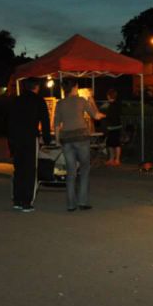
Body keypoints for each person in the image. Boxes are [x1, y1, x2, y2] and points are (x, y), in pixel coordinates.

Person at [54, 79, 105, 212]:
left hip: (66, 139)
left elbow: (56, 124)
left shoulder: (60, 103)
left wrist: (58, 140)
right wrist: (92, 102)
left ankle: (71, 204)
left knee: (71, 172)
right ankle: (83, 201)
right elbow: (96, 116)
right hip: (81, 138)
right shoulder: (81, 100)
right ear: (75, 87)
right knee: (84, 169)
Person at [7, 78, 51, 212]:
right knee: (30, 169)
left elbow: (9, 121)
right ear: (36, 87)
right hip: (30, 137)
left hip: (16, 138)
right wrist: (47, 139)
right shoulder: (38, 100)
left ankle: (17, 200)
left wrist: (10, 143)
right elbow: (45, 120)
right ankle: (27, 202)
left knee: (19, 169)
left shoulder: (15, 100)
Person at [102, 89, 123, 166]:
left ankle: (117, 160)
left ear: (108, 96)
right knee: (110, 144)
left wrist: (103, 116)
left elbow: (110, 115)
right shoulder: (116, 104)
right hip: (115, 126)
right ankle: (112, 159)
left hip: (114, 127)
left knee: (115, 144)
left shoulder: (111, 105)